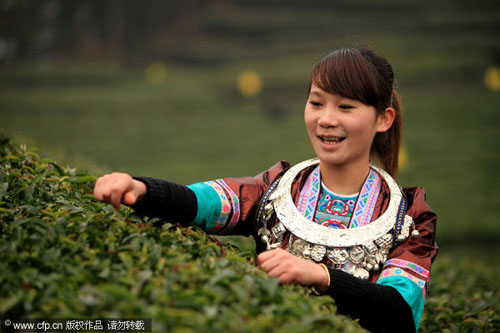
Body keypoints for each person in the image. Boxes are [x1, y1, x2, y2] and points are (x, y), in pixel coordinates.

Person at [94, 47, 438, 332]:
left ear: (384, 118)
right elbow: (206, 203)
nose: (326, 119)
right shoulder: (276, 189)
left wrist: (320, 276)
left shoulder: (409, 217)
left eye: (345, 107)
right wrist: (140, 189)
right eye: (317, 103)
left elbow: (400, 313)